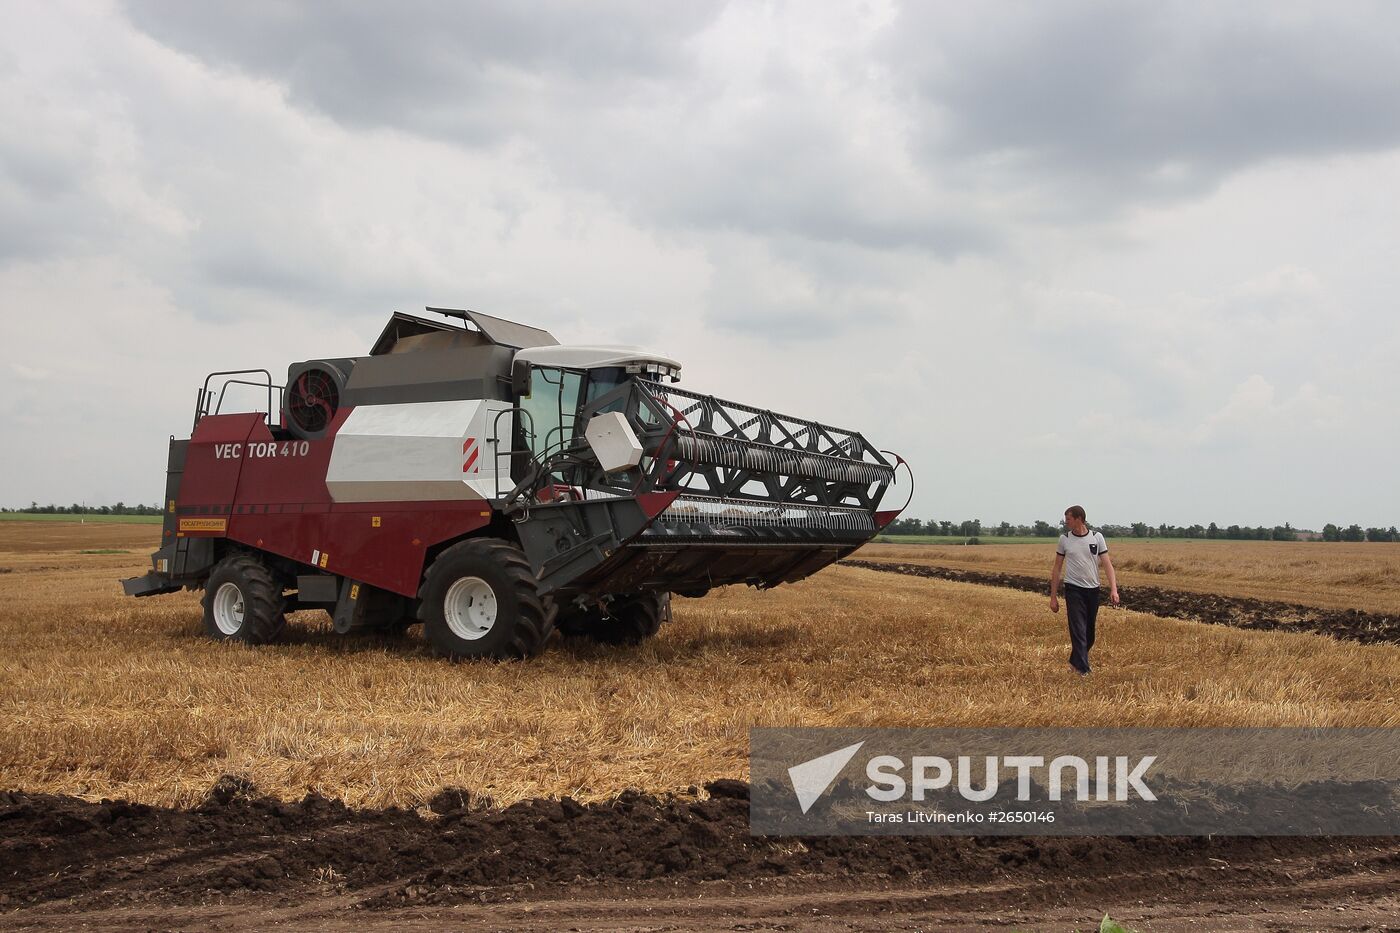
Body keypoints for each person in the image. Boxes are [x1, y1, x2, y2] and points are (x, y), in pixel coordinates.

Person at [1049, 505, 1119, 675]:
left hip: (1093, 590)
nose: (1066, 523)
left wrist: (1114, 590)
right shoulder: (1064, 539)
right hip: (1074, 590)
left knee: (1089, 634)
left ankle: (1074, 662)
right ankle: (1084, 670)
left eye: (1068, 519)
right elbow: (1057, 568)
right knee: (1078, 630)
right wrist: (1053, 597)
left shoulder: (1097, 537)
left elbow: (1107, 565)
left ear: (1079, 518)